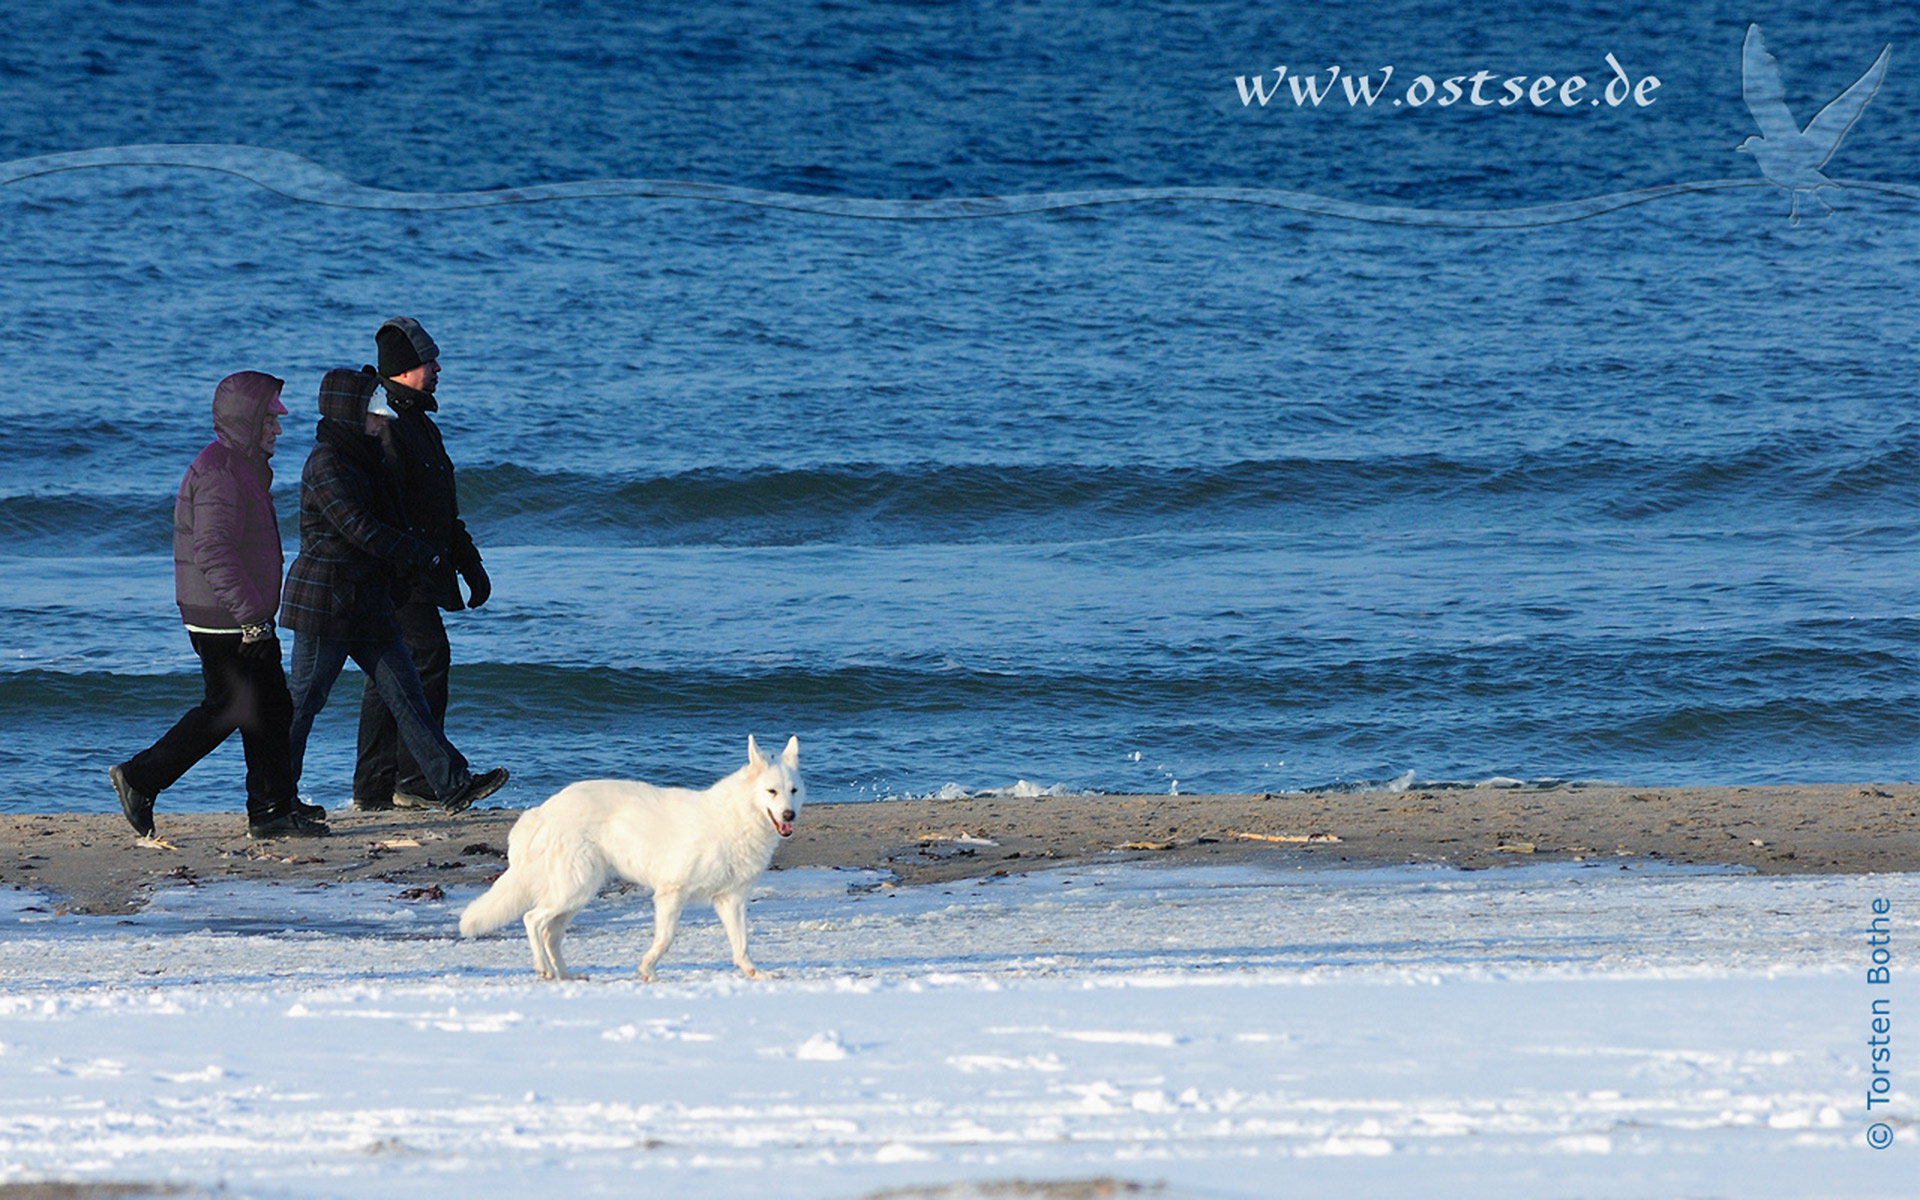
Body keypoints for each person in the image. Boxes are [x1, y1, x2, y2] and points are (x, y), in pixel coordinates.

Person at [109, 371, 328, 840]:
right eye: (270, 420)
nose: (278, 429)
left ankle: (273, 808)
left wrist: (256, 615)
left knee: (271, 708)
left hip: (241, 615)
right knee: (229, 708)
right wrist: (251, 618)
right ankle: (140, 778)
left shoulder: (239, 467)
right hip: (226, 619)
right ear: (247, 421)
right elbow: (212, 551)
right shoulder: (221, 472)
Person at [280, 367, 509, 812]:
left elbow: (405, 513)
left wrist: (456, 555)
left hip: (369, 600)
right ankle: (276, 795)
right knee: (303, 703)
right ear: (351, 412)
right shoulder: (327, 462)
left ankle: (451, 782)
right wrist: (423, 555)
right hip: (326, 604)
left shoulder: (365, 458)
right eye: (375, 413)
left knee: (408, 694)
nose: (384, 421)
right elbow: (361, 529)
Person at [351, 316, 492, 812]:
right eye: (428, 362)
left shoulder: (421, 424)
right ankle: (414, 780)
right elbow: (379, 508)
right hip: (397, 574)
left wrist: (468, 562)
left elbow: (441, 505)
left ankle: (373, 787)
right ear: (404, 370)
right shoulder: (383, 423)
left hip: (426, 568)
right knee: (424, 659)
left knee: (390, 672)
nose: (437, 369)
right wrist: (401, 562)